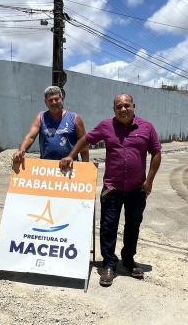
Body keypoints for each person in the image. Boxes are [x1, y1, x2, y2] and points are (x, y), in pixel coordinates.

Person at [60, 94, 161, 287]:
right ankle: (109, 264)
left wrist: (149, 181)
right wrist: (71, 155)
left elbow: (156, 152)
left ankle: (128, 260)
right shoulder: (106, 126)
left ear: (133, 106)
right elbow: (86, 139)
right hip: (112, 189)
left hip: (137, 189)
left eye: (126, 106)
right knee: (108, 226)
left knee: (133, 225)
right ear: (113, 109)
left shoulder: (146, 127)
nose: (123, 109)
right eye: (118, 107)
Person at [12, 85, 89, 163]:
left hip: (70, 166)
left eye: (56, 99)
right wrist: (21, 151)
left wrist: (85, 166)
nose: (54, 102)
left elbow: (83, 143)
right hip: (47, 168)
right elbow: (30, 137)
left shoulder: (75, 118)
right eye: (50, 100)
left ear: (62, 100)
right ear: (45, 102)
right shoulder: (41, 117)